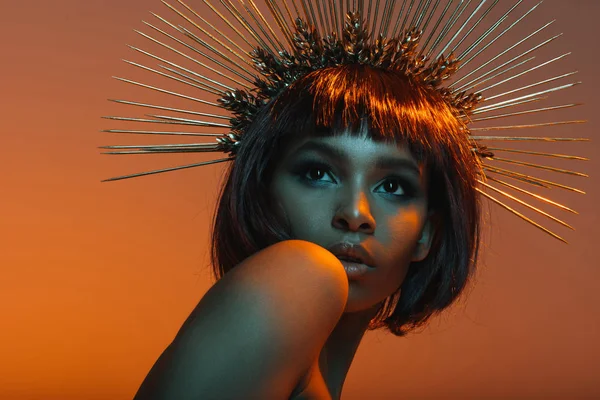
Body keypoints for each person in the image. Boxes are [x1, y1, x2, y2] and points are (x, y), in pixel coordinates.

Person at [101, 1, 584, 399]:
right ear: (263, 192)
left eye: (394, 186)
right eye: (318, 172)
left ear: (428, 234)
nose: (355, 214)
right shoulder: (302, 271)